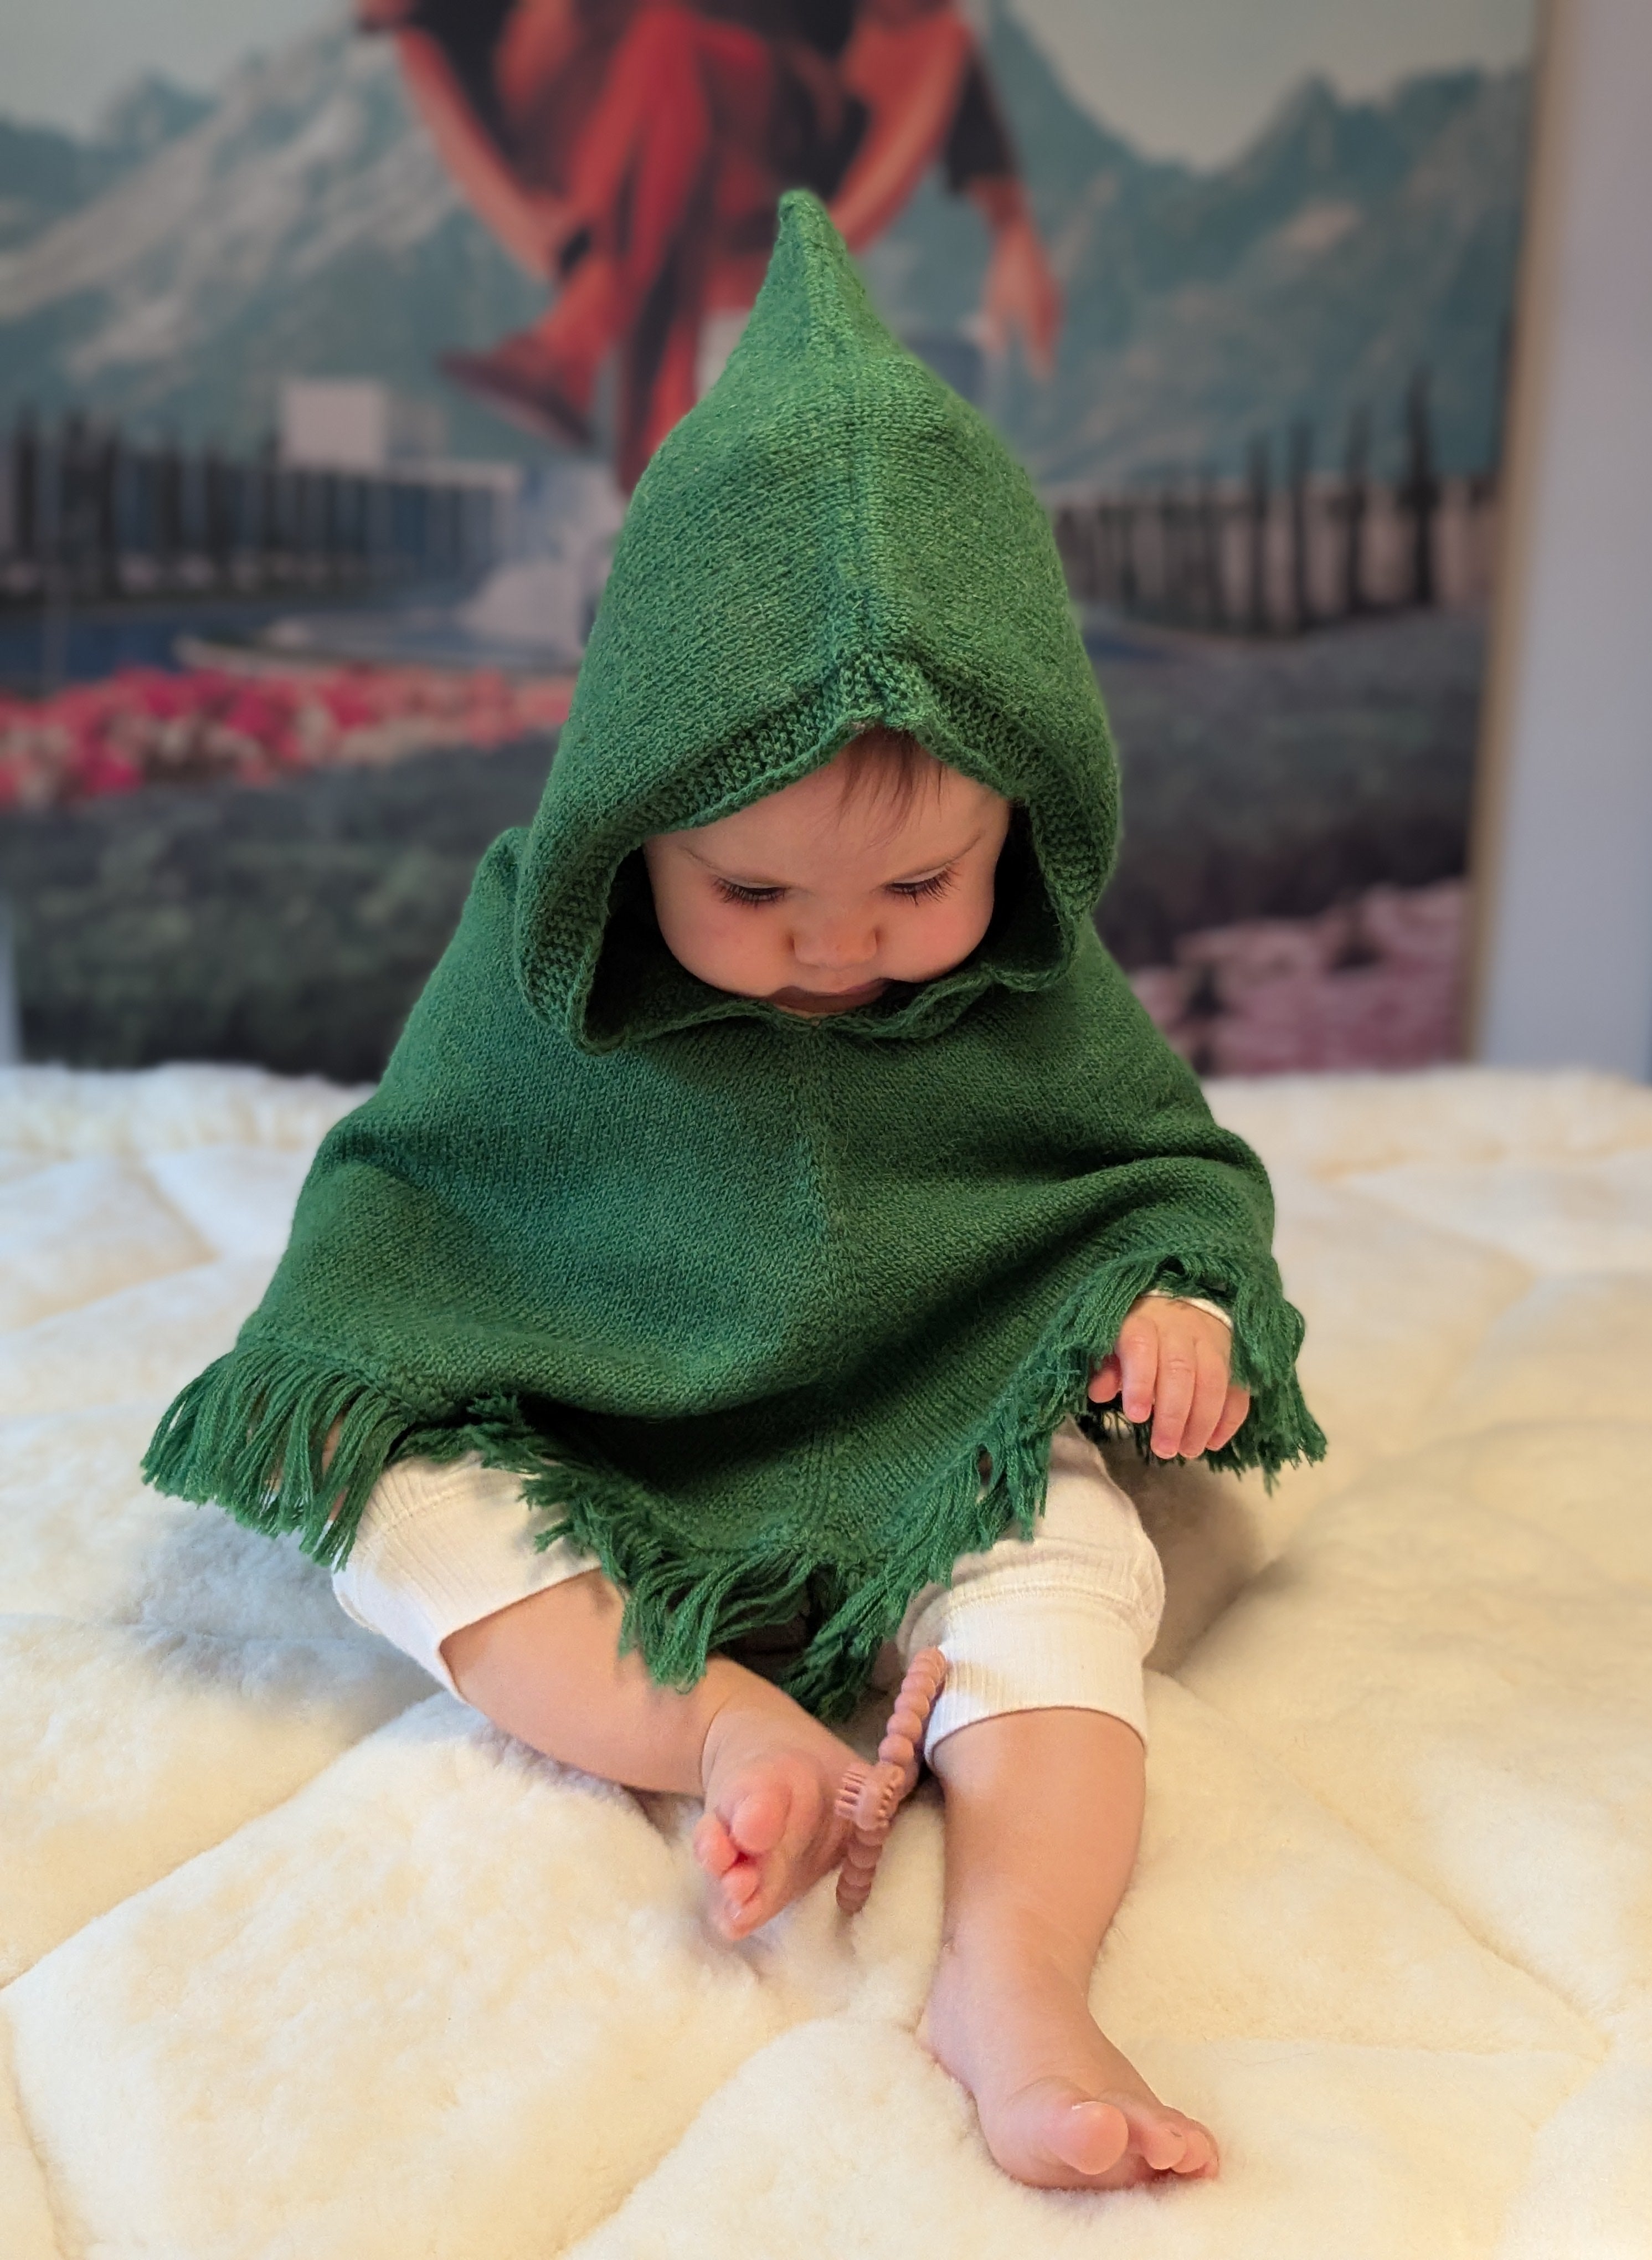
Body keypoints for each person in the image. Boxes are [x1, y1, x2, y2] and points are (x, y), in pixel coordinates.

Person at [144, 197, 1320, 2192]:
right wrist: (361, 1369)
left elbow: (1147, 1175)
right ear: (626, 812)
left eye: (917, 889)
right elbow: (413, 1197)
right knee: (389, 1498)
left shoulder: (1027, 970)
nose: (833, 948)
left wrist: (1174, 1304)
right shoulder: (546, 962)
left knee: (1061, 1562)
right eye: (753, 891)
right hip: (590, 1431)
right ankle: (716, 1718)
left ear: (1018, 822)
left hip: (929, 1422)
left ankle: (1016, 1963)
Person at [360, 0, 1059, 487]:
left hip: (777, 120)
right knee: (670, 136)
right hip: (628, 138)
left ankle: (575, 341)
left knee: (668, 44)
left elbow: (931, 37)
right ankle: (663, 445)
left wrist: (1012, 227)